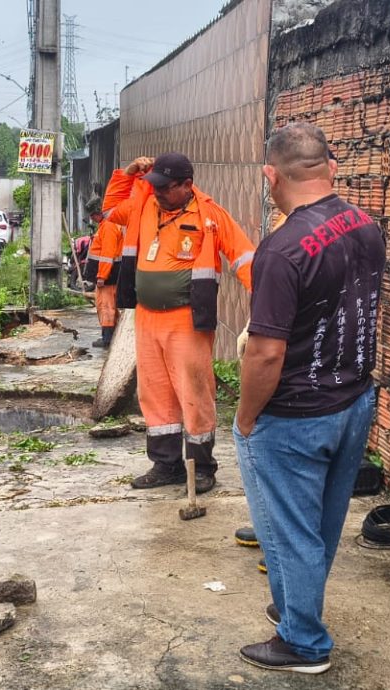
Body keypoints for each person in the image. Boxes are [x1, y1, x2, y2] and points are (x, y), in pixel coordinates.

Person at [233, 122, 384, 674]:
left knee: (288, 527)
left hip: (294, 413)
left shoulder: (281, 248)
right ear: (331, 168)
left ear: (271, 176)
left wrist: (247, 417)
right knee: (321, 523)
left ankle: (304, 643)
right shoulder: (365, 225)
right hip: (354, 401)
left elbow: (266, 353)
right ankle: (297, 606)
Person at [105, 153, 256, 494]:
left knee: (194, 392)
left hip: (186, 321)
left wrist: (267, 299)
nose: (157, 192)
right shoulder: (143, 205)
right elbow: (109, 213)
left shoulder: (209, 216)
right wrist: (125, 176)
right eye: (154, 185)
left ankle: (201, 467)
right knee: (155, 393)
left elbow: (245, 257)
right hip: (146, 319)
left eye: (165, 187)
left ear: (187, 185)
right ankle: (166, 465)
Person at [84, 199, 125, 348]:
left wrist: (102, 276)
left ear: (98, 213)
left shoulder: (108, 226)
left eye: (92, 215)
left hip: (108, 276)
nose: (92, 219)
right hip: (111, 274)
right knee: (110, 306)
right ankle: (112, 336)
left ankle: (107, 339)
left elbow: (107, 254)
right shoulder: (107, 225)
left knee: (105, 306)